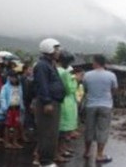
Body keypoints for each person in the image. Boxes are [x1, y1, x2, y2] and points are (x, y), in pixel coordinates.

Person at [33, 38, 66, 167]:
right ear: (49, 49)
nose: (58, 52)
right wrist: (47, 102)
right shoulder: (42, 65)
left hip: (54, 101)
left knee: (52, 133)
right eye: (56, 49)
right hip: (48, 102)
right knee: (47, 132)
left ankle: (48, 160)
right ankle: (45, 161)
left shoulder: (49, 64)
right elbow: (42, 85)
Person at [83, 54, 117, 164]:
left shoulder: (87, 75)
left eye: (93, 61)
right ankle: (99, 155)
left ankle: (87, 152)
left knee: (89, 129)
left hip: (91, 105)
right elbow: (114, 89)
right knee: (103, 130)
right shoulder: (111, 75)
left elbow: (85, 89)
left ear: (96, 62)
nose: (92, 63)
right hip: (106, 105)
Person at [56, 51, 77, 162]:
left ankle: (61, 150)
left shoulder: (54, 70)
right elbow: (70, 89)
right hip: (66, 102)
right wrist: (75, 80)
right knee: (62, 131)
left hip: (60, 101)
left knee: (61, 130)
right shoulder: (64, 73)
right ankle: (58, 153)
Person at [0, 69, 24, 149]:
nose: (13, 79)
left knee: (16, 125)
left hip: (17, 108)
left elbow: (21, 97)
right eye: (11, 77)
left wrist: (22, 107)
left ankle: (14, 142)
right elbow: (2, 97)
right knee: (7, 125)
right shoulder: (5, 87)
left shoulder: (19, 86)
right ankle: (6, 142)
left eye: (15, 77)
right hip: (9, 108)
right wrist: (4, 107)